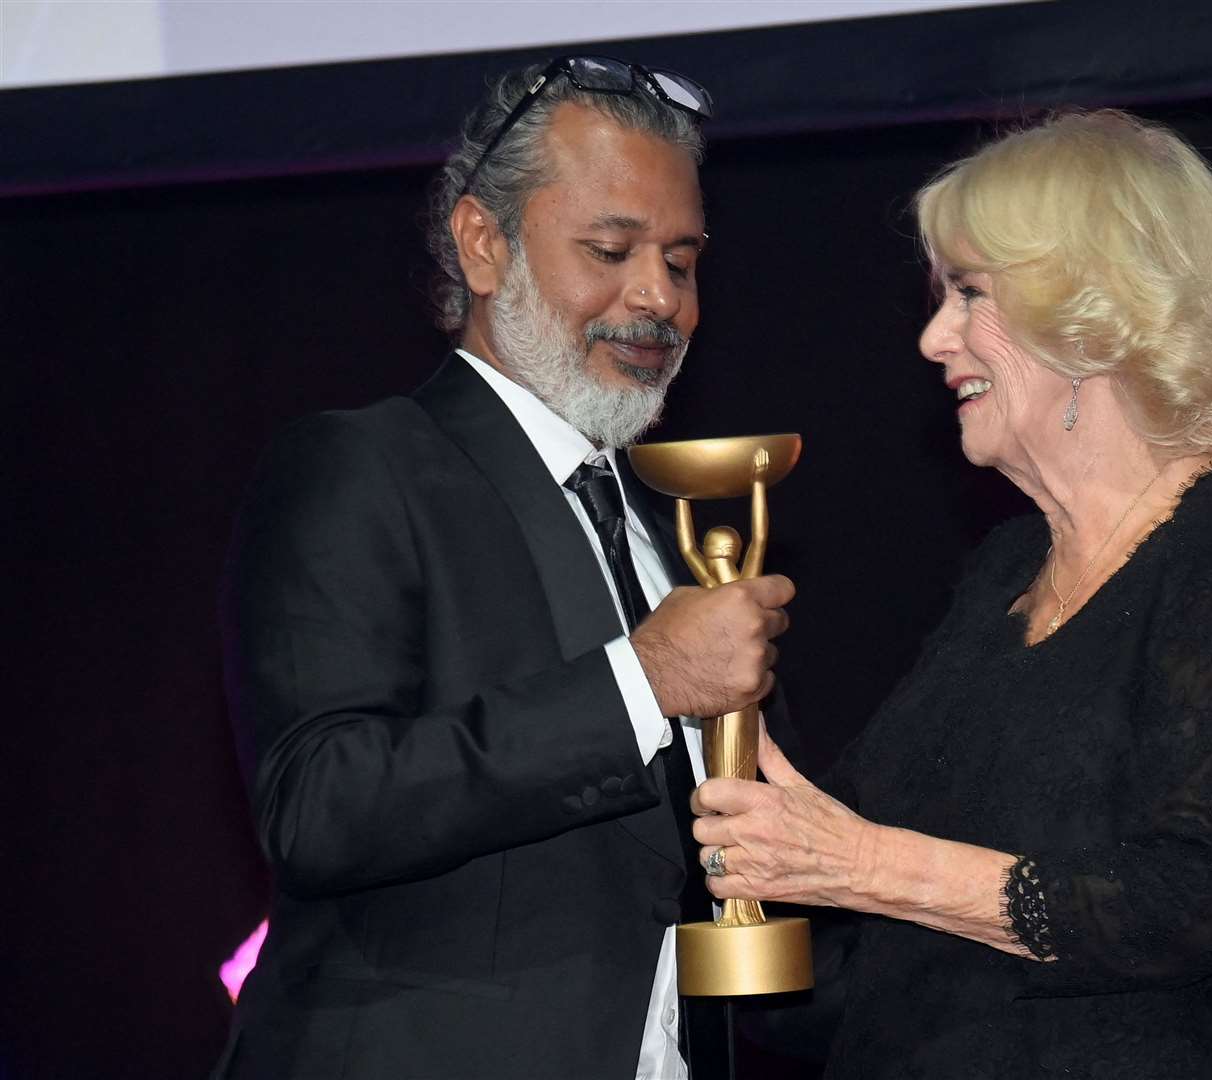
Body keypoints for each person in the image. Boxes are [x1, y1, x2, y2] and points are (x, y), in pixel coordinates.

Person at [691, 110, 1212, 1078]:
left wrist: (868, 864)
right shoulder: (1005, 567)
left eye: (966, 294)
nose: (931, 338)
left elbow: (1193, 904)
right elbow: (867, 923)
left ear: (1089, 311)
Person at [215, 57, 795, 1080]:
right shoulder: (362, 465)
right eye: (610, 249)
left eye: (682, 259)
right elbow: (319, 803)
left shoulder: (666, 521)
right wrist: (644, 682)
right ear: (484, 246)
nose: (657, 297)